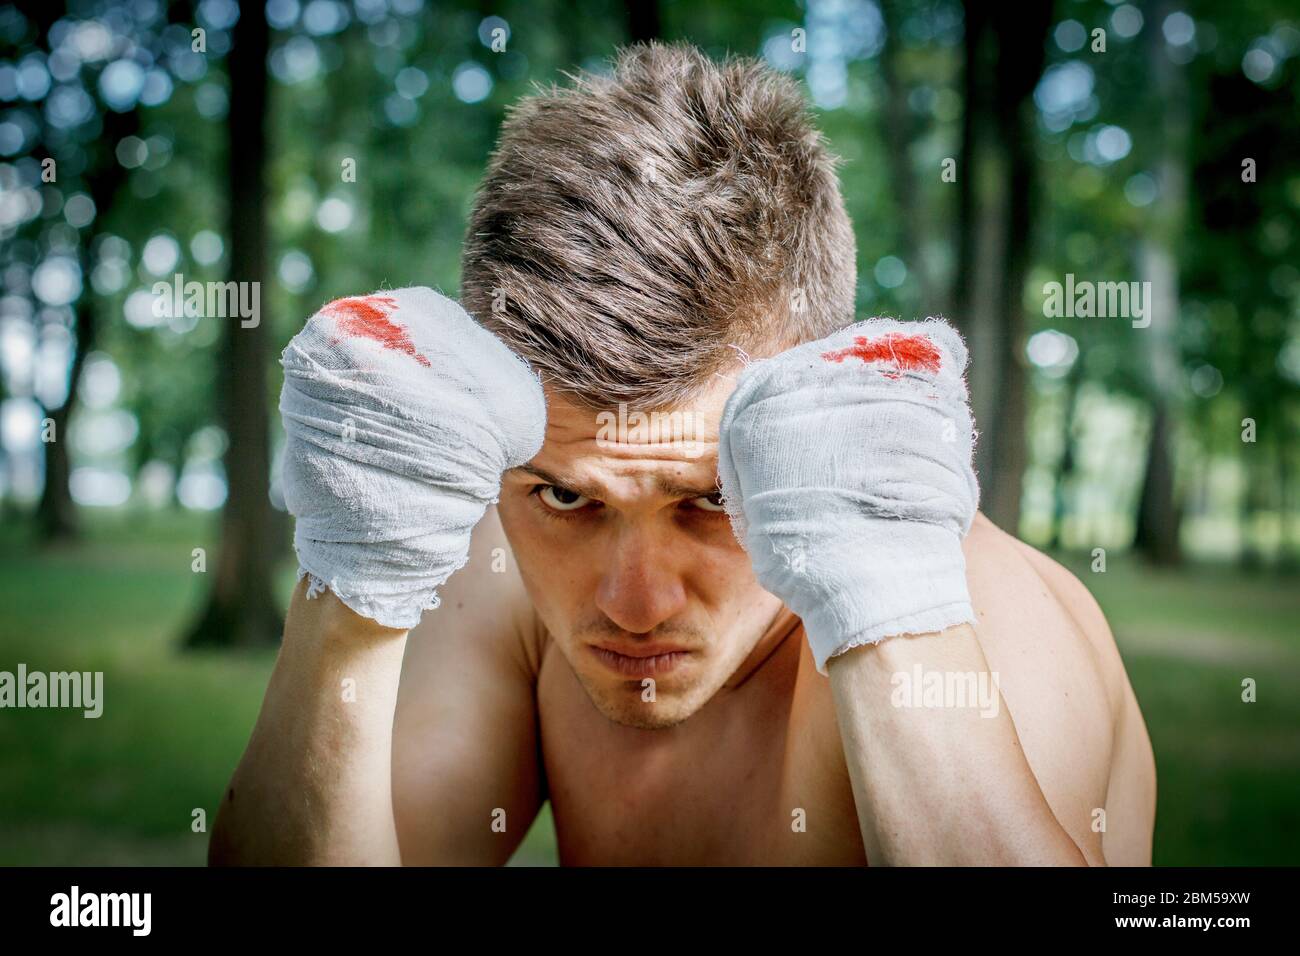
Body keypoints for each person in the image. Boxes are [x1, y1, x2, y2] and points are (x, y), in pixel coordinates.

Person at [209, 42, 1155, 866]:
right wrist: (354, 584)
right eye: (570, 501)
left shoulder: (976, 620)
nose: (634, 603)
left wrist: (891, 608)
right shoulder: (503, 585)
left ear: (814, 406)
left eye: (708, 500)